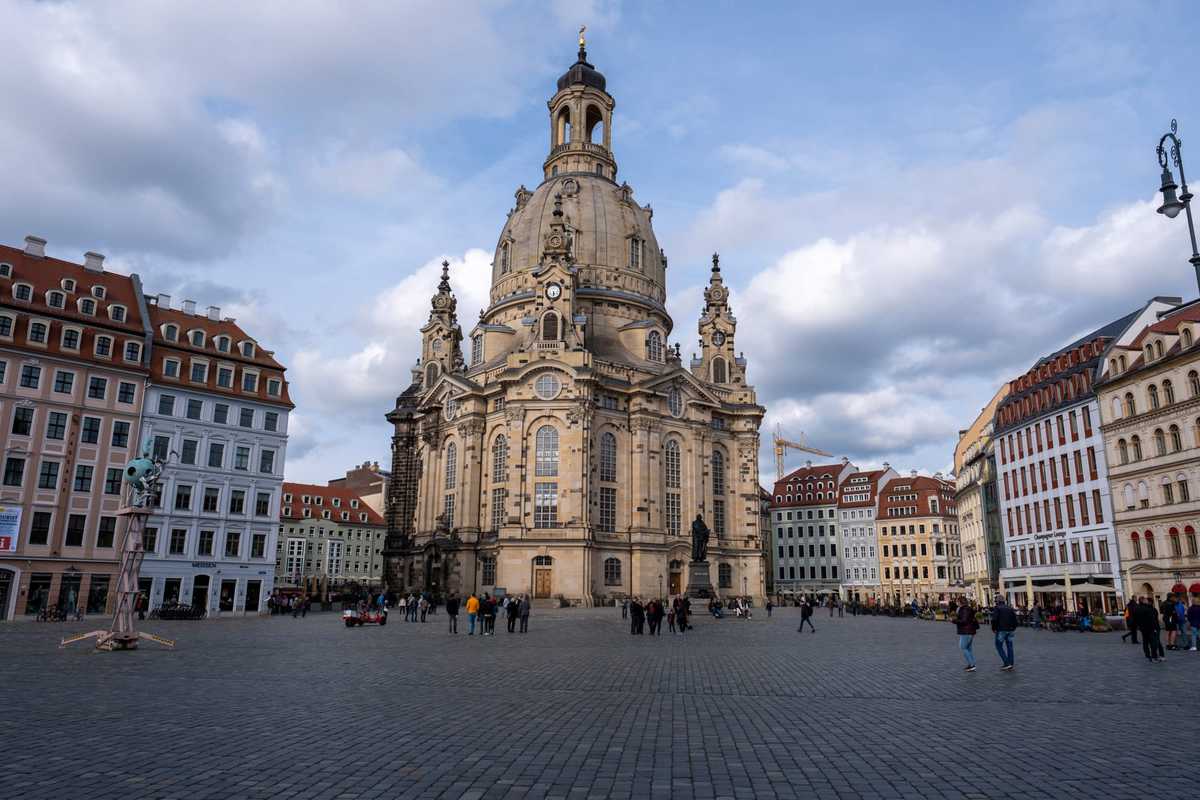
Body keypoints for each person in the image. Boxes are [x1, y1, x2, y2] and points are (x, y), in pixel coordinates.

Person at [991, 596, 1017, 671]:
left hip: (1001, 629)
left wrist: (994, 628)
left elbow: (994, 620)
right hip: (1010, 629)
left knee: (998, 646)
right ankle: (1011, 663)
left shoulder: (997, 608)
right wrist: (1014, 627)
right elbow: (1015, 619)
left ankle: (1006, 663)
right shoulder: (1009, 608)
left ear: (997, 601)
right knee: (1010, 647)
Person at [1135, 596, 1165, 662]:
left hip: (1144, 628)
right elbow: (1153, 619)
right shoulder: (1149, 609)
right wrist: (1155, 628)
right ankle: (1157, 656)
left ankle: (1148, 655)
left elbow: (1136, 619)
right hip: (1152, 628)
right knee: (1155, 642)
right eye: (1145, 600)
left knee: (1146, 642)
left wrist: (1139, 627)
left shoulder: (1137, 608)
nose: (1146, 601)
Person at [955, 598, 979, 672]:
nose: (957, 603)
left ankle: (972, 665)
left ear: (960, 602)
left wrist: (954, 620)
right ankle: (970, 664)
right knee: (968, 648)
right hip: (969, 630)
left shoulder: (964, 609)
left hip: (966, 631)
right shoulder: (967, 608)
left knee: (963, 647)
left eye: (957, 601)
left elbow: (964, 620)